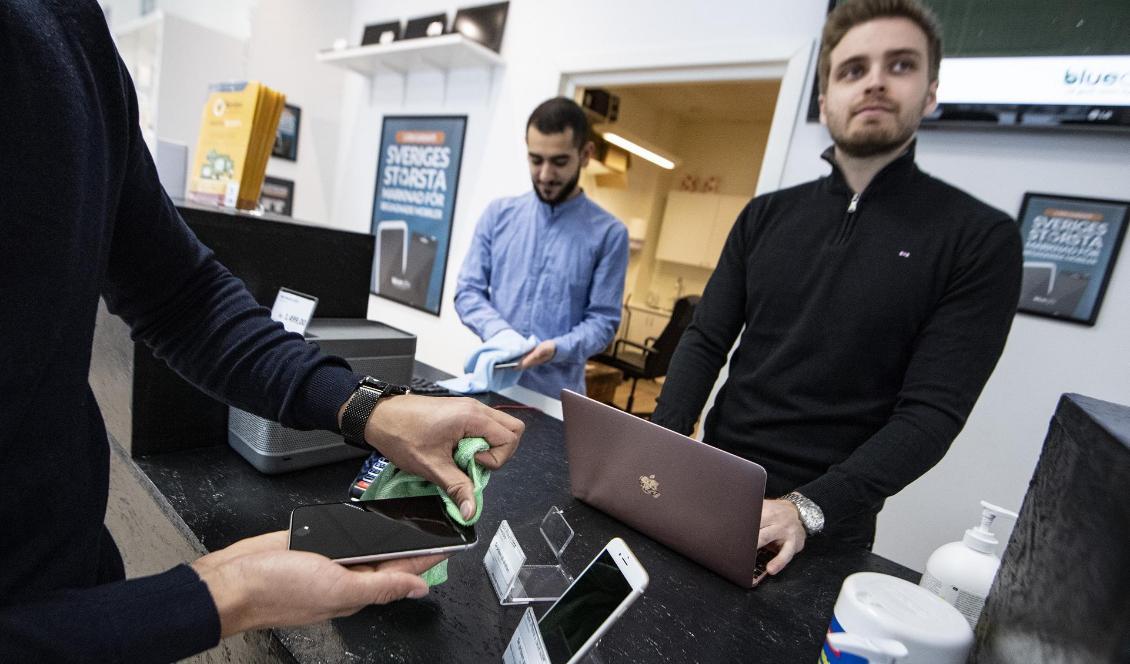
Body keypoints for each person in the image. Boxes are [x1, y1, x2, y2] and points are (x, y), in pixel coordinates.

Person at [0, 2, 523, 660]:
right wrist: (226, 590)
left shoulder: (67, 28)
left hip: (82, 582)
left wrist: (368, 408)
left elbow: (179, 294)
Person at [650, 0, 1022, 576]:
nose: (874, 81)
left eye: (899, 65)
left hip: (827, 529)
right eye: (853, 69)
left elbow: (930, 415)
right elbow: (705, 339)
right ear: (825, 102)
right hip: (713, 489)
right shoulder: (765, 217)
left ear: (929, 92)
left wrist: (808, 509)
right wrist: (662, 446)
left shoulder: (978, 239)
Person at [454, 97, 629, 399]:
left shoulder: (610, 234)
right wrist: (503, 334)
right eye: (536, 160)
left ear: (585, 154)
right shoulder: (498, 215)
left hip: (555, 398)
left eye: (559, 162)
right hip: (489, 383)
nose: (546, 175)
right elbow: (468, 291)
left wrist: (555, 349)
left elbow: (602, 322)